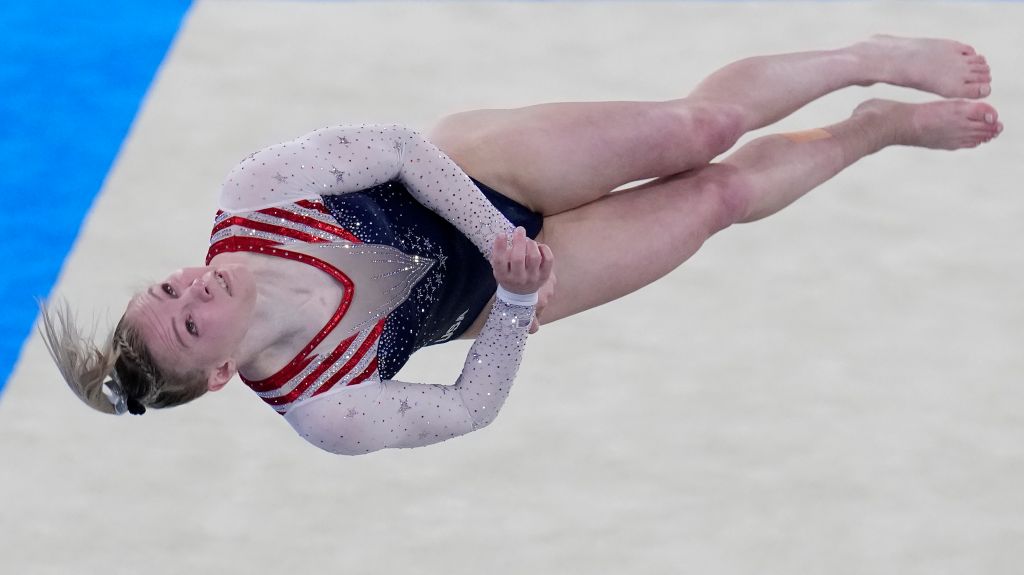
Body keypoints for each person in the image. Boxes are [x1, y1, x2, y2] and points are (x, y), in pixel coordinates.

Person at [40, 35, 1001, 455]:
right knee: (718, 198)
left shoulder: (254, 195)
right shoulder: (326, 410)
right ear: (217, 377)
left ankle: (862, 59)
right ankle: (872, 127)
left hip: (484, 174)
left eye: (164, 287)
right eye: (190, 321)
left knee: (697, 130)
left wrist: (501, 241)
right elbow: (468, 406)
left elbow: (402, 148)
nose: (189, 288)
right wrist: (509, 300)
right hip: (516, 292)